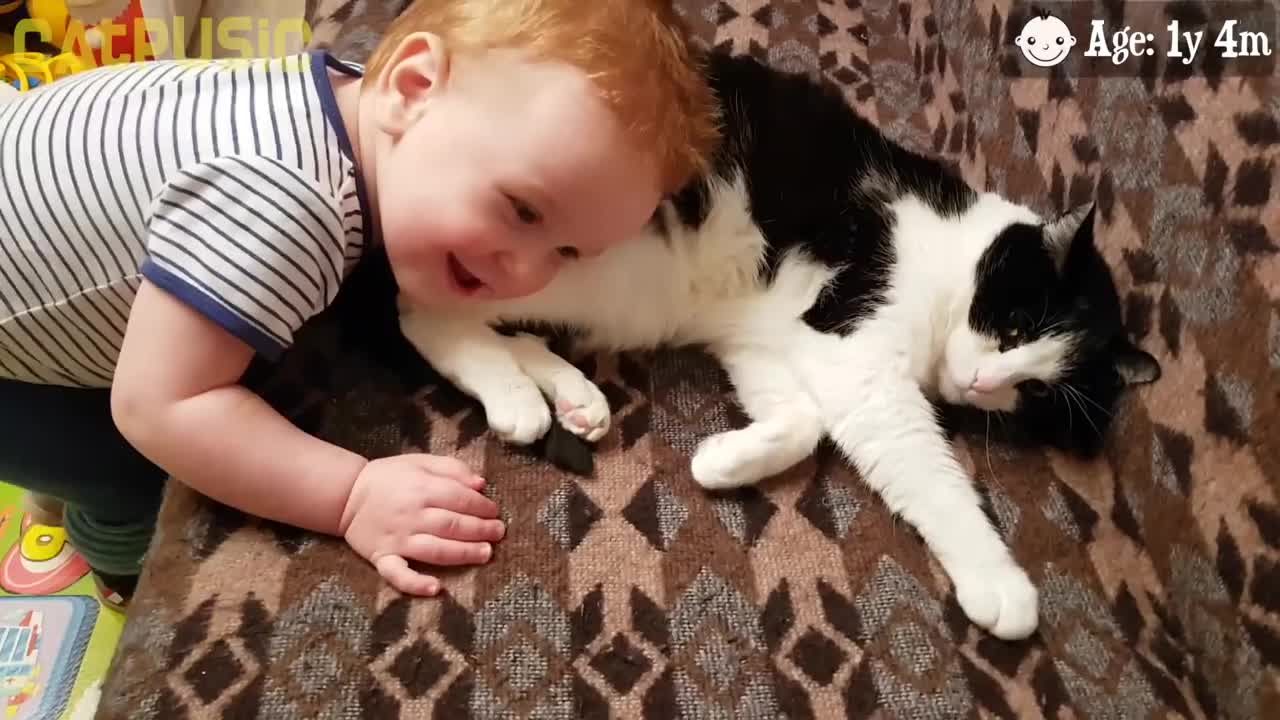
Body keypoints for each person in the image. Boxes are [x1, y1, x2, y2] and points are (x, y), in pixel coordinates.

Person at [0, 0, 719, 609]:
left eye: (567, 254)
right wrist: (350, 494)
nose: (526, 275)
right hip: (19, 368)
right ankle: (114, 568)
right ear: (411, 87)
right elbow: (159, 407)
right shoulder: (290, 206)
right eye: (524, 211)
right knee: (128, 470)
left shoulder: (351, 96)